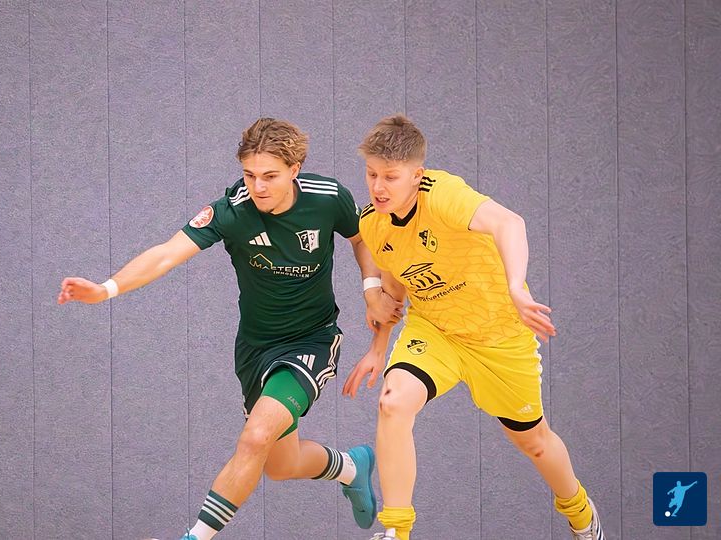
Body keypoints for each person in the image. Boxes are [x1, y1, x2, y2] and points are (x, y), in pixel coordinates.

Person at [59, 118, 402, 540]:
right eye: (250, 175)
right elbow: (166, 253)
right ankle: (351, 467)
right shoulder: (232, 210)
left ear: (295, 169)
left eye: (270, 176)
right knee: (281, 465)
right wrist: (105, 289)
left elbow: (362, 238)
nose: (258, 186)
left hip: (311, 340)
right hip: (255, 349)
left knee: (255, 437)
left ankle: (195, 537)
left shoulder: (328, 197)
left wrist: (371, 289)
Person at [342, 114, 605, 540]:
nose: (378, 187)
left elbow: (509, 223)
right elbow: (395, 289)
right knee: (393, 403)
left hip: (498, 335)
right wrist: (378, 347)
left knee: (534, 442)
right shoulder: (373, 222)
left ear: (416, 176)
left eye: (390, 177)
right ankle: (396, 531)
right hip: (435, 331)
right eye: (372, 174)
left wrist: (516, 286)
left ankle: (580, 512)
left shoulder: (443, 194)